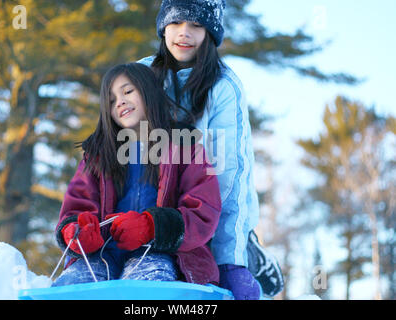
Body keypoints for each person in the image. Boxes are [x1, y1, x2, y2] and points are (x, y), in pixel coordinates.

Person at [138, 0, 284, 299]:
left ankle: (246, 250)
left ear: (211, 33)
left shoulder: (223, 88)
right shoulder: (139, 77)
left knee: (206, 272)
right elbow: (109, 156)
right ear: (163, 25)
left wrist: (231, 261)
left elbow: (229, 176)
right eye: (177, 22)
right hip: (146, 208)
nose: (184, 33)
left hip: (202, 213)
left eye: (196, 25)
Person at [52, 62, 222, 287]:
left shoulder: (185, 147)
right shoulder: (96, 157)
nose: (119, 102)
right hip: (101, 254)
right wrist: (75, 232)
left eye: (128, 91)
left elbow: (203, 211)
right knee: (76, 285)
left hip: (163, 254)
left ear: (149, 91)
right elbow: (76, 207)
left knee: (145, 286)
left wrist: (152, 227)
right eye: (111, 101)